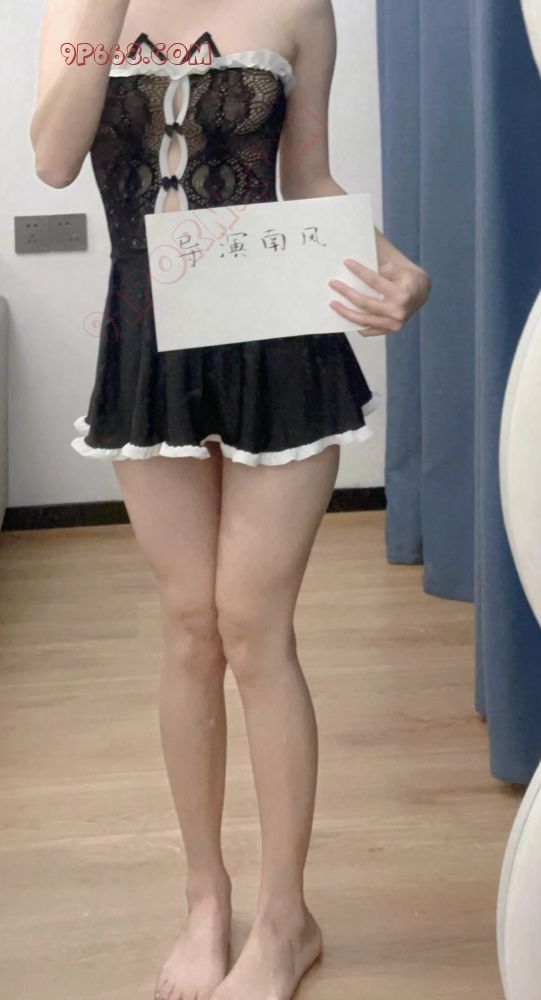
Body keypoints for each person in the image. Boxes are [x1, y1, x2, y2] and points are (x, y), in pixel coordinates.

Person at [30, 2, 431, 998]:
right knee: (189, 627)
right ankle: (205, 898)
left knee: (254, 626)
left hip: (276, 335)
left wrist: (396, 269)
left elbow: (310, 181)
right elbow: (53, 159)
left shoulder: (298, 6)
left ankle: (287, 918)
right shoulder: (77, 12)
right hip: (144, 340)